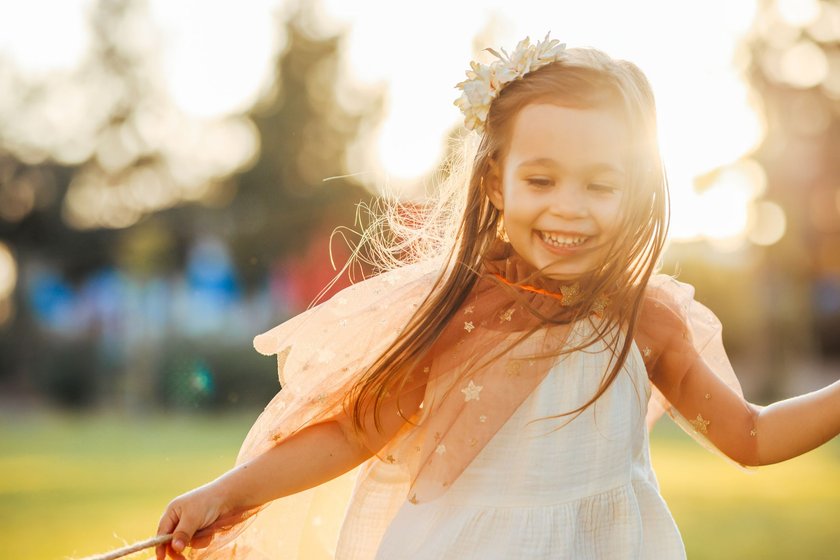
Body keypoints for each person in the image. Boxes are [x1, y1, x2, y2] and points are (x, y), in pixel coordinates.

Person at [155, 34, 840, 560]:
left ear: (636, 192)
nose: (569, 209)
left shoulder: (647, 321)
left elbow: (749, 436)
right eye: (541, 180)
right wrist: (225, 492)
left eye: (600, 186)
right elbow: (355, 431)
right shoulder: (459, 315)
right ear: (495, 184)